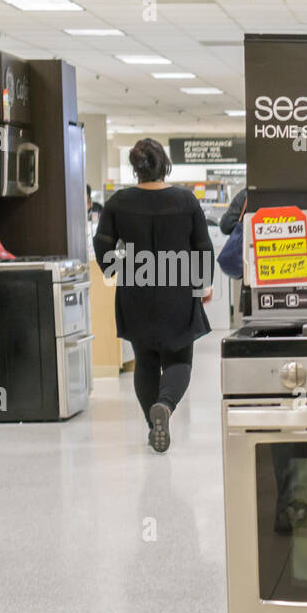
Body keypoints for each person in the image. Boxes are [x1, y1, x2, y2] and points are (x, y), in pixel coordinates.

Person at [93, 138, 213, 452]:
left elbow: (103, 247)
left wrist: (120, 265)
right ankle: (166, 406)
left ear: (136, 169)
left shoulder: (118, 202)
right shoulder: (186, 201)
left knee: (145, 360)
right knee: (180, 359)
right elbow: (202, 246)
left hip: (136, 291)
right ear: (165, 166)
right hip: (178, 289)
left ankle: (153, 424)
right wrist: (203, 286)